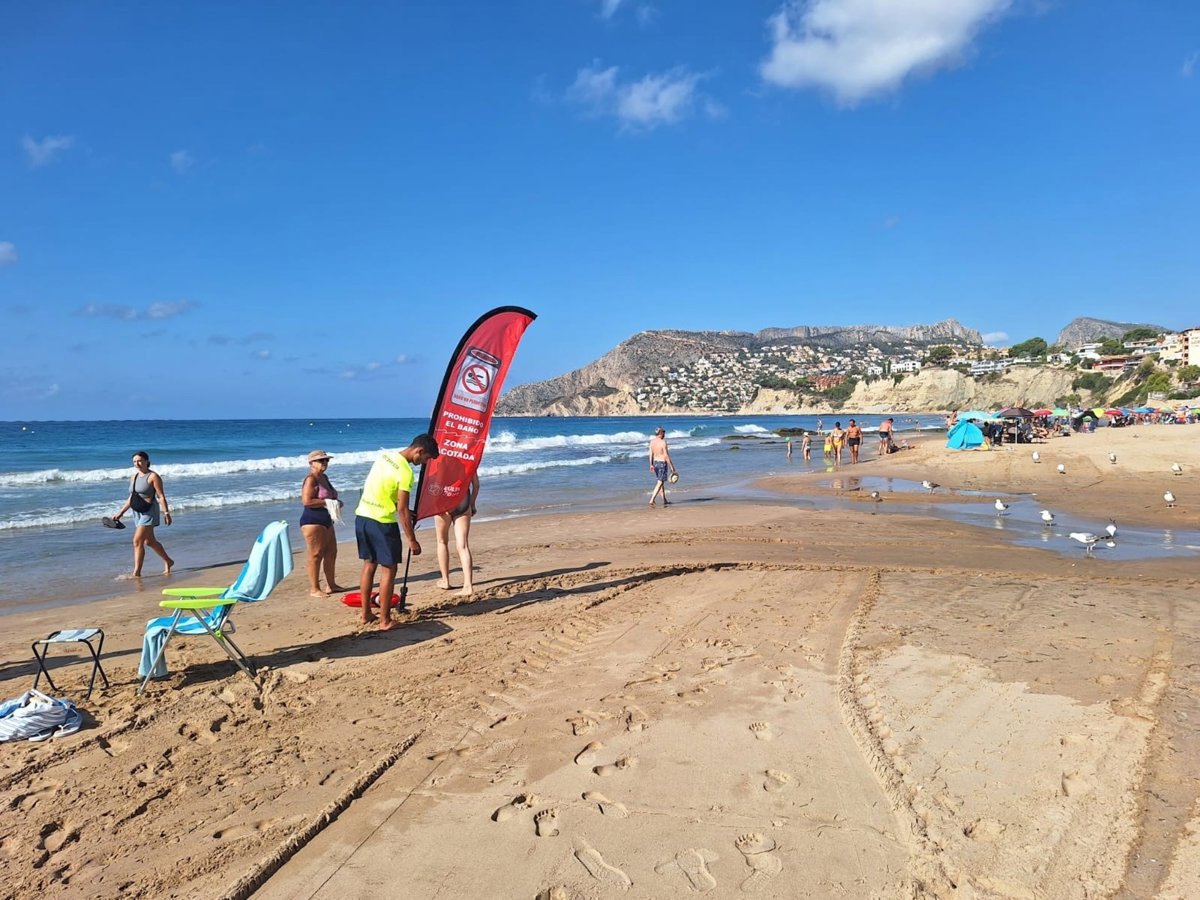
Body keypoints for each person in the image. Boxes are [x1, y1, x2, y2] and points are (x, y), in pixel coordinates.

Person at [354, 434, 440, 630]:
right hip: (383, 523)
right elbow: (402, 510)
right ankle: (385, 620)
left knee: (369, 565)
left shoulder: (385, 456)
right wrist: (412, 540)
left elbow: (378, 488)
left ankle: (366, 614)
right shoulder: (406, 472)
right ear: (419, 451)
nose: (424, 463)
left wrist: (400, 507)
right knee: (389, 570)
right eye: (426, 458)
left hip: (363, 516)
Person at [111, 450, 173, 577]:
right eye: (134, 461)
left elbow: (161, 496)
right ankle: (168, 561)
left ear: (146, 461)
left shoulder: (153, 476)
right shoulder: (133, 477)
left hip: (149, 511)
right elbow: (132, 497)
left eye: (139, 461)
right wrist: (121, 512)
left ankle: (137, 573)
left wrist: (166, 513)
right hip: (137, 511)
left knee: (137, 541)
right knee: (149, 541)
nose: (137, 464)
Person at [300, 450, 349, 598]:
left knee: (331, 552)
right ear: (311, 463)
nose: (325, 463)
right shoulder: (311, 479)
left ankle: (331, 585)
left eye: (326, 460)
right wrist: (329, 502)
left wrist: (336, 502)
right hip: (313, 521)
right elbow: (307, 501)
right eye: (321, 460)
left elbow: (330, 497)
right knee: (315, 554)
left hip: (327, 520)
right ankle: (314, 588)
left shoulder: (324, 477)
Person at [435, 472, 479, 596]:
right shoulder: (468, 463)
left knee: (442, 542)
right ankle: (468, 585)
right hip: (463, 502)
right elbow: (476, 485)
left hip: (444, 503)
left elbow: (434, 485)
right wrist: (472, 504)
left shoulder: (440, 463)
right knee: (463, 546)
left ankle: (445, 580)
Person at [648, 427, 677, 507]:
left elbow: (651, 454)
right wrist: (672, 467)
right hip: (662, 464)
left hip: (656, 463)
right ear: (660, 433)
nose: (664, 434)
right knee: (660, 482)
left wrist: (651, 464)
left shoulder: (652, 442)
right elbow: (666, 456)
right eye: (663, 432)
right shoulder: (663, 442)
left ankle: (664, 500)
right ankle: (652, 499)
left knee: (661, 482)